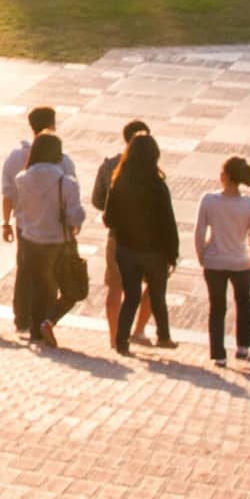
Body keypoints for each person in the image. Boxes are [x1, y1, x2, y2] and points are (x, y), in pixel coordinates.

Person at [1, 106, 79, 336]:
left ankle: (23, 318)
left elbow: (8, 194)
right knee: (50, 278)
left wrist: (6, 222)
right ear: (53, 125)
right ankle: (44, 322)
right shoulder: (64, 162)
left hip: (26, 226)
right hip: (56, 230)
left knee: (26, 273)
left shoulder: (16, 160)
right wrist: (74, 223)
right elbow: (73, 200)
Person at [102, 133, 179, 355]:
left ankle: (121, 341)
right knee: (157, 294)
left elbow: (108, 218)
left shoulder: (119, 182)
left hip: (126, 249)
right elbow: (168, 222)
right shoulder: (158, 186)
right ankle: (163, 336)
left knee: (131, 296)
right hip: (155, 251)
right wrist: (172, 254)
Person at [195, 156, 250, 368]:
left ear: (226, 176)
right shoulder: (249, 204)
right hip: (240, 261)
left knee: (217, 307)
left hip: (214, 261)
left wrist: (202, 255)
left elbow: (199, 232)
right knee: (243, 303)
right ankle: (243, 347)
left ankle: (218, 354)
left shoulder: (208, 200)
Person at [94, 120, 156, 345]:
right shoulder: (152, 169)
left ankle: (114, 337)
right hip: (147, 239)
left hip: (117, 235)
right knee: (153, 284)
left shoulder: (109, 166)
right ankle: (138, 331)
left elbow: (98, 201)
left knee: (115, 287)